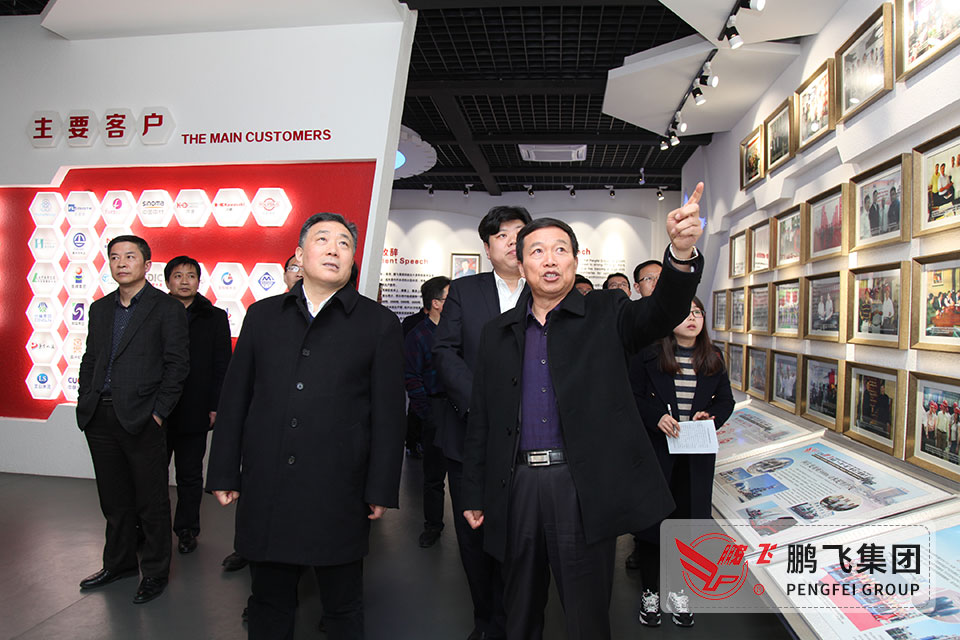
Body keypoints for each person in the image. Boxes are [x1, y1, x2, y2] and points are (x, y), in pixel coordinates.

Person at [461, 183, 705, 640]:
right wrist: (474, 491)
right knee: (518, 609)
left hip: (581, 485)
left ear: (575, 260)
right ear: (521, 264)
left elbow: (662, 311)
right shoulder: (498, 332)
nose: (549, 260)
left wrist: (680, 254)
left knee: (587, 613)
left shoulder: (607, 312)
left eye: (560, 249)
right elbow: (483, 420)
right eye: (537, 251)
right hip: (516, 485)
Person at [206, 212, 405, 640]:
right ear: (299, 254)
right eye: (322, 240)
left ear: (352, 259)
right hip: (268, 484)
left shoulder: (378, 324)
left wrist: (381, 487)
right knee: (268, 601)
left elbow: (389, 415)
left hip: (339, 488)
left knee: (343, 605)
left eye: (344, 243)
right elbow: (235, 398)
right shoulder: (263, 316)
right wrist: (223, 470)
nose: (334, 249)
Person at [433, 205, 532, 640]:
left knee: (525, 537)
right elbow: (445, 351)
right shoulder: (464, 291)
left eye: (519, 233)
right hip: (470, 436)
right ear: (487, 248)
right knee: (475, 538)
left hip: (532, 441)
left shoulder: (547, 289)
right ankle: (486, 622)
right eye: (501, 235)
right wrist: (482, 405)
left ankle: (519, 623)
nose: (512, 241)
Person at [76, 235, 189, 604]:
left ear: (147, 264)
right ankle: (119, 564)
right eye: (114, 257)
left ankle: (155, 572)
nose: (121, 263)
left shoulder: (166, 308)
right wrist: (85, 399)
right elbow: (91, 359)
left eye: (129, 256)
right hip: (99, 415)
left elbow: (177, 365)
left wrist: (158, 412)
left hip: (142, 416)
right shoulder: (100, 309)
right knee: (114, 500)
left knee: (151, 500)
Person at [630, 297, 734, 626]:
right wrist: (656, 416)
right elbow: (631, 396)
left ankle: (679, 591)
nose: (693, 318)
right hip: (657, 452)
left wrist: (710, 416)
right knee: (653, 525)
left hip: (695, 455)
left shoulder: (713, 357)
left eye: (698, 313)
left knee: (686, 527)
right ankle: (650, 592)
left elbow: (726, 400)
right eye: (685, 313)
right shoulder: (649, 354)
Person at [223, 253, 302, 575]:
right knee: (258, 503)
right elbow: (241, 384)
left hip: (308, 439)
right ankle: (247, 550)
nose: (299, 273)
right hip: (266, 433)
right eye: (294, 268)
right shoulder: (264, 315)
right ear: (285, 275)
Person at [163, 256, 232, 555]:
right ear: (168, 281)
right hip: (157, 409)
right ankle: (150, 530)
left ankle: (187, 530)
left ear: (198, 281)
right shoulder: (154, 311)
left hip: (195, 407)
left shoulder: (214, 317)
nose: (184, 281)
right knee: (152, 475)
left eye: (190, 275)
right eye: (178, 275)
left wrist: (216, 405)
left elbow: (222, 365)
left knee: (189, 475)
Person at [404, 275, 451, 548]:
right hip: (434, 409)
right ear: (436, 303)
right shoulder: (418, 336)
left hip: (460, 410)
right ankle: (433, 525)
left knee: (465, 473)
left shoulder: (458, 331)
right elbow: (411, 378)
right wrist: (426, 412)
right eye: (449, 298)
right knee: (433, 476)